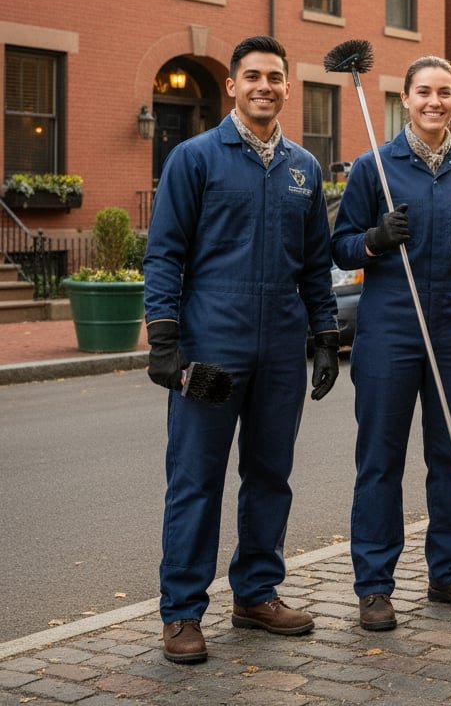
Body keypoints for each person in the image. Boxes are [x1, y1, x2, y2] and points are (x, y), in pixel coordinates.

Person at [144, 35, 340, 664]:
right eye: (251, 76)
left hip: (282, 347)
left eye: (275, 77)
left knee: (269, 476)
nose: (264, 86)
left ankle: (257, 592)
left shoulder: (304, 170)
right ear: (232, 86)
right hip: (212, 346)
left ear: (288, 88)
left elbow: (314, 264)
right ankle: (181, 612)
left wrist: (326, 334)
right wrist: (165, 338)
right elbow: (165, 252)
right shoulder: (195, 159)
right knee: (195, 480)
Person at [332, 55, 451, 632]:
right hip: (389, 330)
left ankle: (449, 573)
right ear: (405, 98)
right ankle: (375, 586)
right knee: (380, 461)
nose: (434, 102)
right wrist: (375, 241)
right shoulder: (374, 169)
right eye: (424, 92)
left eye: (445, 93)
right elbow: (340, 248)